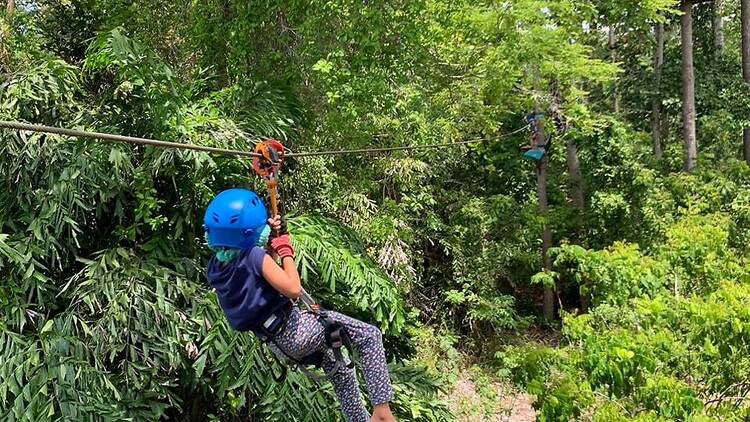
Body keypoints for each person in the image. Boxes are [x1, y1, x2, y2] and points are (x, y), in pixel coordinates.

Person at [203, 188, 396, 422]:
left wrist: (271, 246)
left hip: (278, 343)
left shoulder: (216, 267)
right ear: (250, 232)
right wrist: (285, 251)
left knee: (342, 373)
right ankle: (382, 412)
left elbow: (259, 280)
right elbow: (293, 288)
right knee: (369, 335)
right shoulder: (254, 256)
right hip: (297, 330)